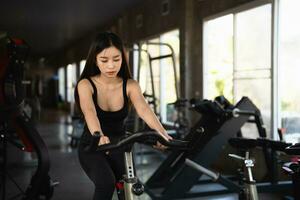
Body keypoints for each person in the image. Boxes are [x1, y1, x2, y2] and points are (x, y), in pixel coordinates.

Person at [74, 32, 172, 200]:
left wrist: (162, 133)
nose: (111, 66)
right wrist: (99, 135)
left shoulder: (130, 85)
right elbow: (89, 111)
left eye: (116, 59)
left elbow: (144, 109)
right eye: (104, 60)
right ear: (95, 60)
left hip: (120, 145)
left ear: (123, 58)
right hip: (93, 146)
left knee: (129, 189)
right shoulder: (86, 84)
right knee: (106, 183)